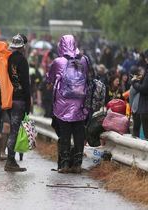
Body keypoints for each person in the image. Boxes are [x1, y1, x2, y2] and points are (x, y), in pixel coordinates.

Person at [46, 35, 89, 174]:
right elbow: (88, 78)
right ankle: (77, 165)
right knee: (79, 136)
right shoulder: (84, 60)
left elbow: (49, 78)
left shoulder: (58, 62)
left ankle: (64, 164)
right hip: (80, 107)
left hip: (62, 107)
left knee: (64, 137)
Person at [2, 34, 31, 172]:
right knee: (14, 131)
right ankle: (10, 161)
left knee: (12, 130)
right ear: (23, 46)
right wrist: (28, 103)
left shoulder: (8, 58)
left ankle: (11, 160)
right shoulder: (22, 61)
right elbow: (26, 83)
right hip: (19, 100)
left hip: (9, 99)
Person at [131, 50, 148, 140]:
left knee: (146, 134)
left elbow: (144, 89)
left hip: (144, 108)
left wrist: (134, 82)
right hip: (141, 108)